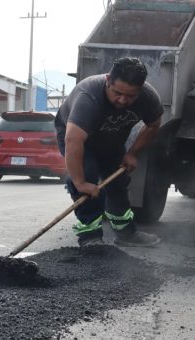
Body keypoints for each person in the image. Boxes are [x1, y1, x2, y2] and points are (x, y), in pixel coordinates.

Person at [55, 57, 163, 247]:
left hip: (112, 139)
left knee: (118, 182)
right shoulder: (88, 97)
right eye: (117, 93)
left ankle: (126, 233)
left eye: (130, 96)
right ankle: (90, 237)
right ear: (108, 80)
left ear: (140, 90)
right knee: (87, 178)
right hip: (80, 140)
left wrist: (132, 153)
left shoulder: (148, 97)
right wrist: (80, 183)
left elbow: (153, 125)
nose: (123, 100)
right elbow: (73, 140)